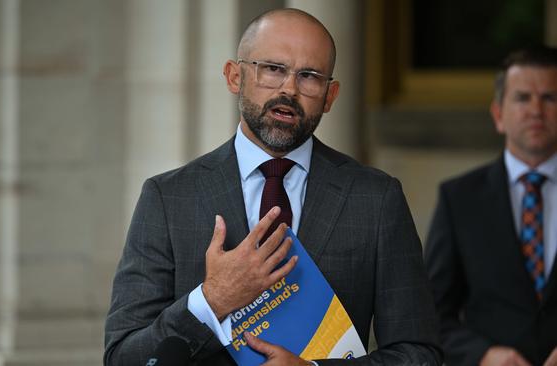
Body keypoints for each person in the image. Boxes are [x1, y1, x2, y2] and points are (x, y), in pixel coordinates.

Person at [105, 8, 441, 365]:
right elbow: (124, 357)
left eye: (309, 76)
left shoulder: (376, 199)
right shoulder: (168, 198)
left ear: (330, 96)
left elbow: (419, 354)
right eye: (273, 69)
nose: (289, 89)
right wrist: (213, 298)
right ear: (235, 76)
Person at [424, 47, 557, 366]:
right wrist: (482, 354)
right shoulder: (459, 199)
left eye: (550, 98)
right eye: (523, 98)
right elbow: (428, 314)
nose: (536, 110)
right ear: (498, 115)